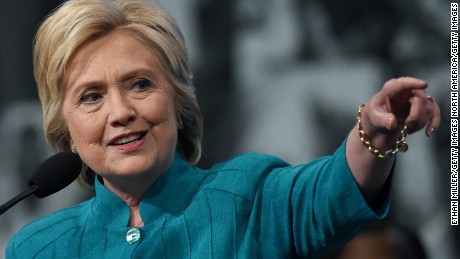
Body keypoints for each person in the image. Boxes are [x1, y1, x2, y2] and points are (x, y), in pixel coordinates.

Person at [6, 0, 440, 258]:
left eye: (140, 84)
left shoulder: (246, 195)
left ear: (177, 98)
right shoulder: (38, 246)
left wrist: (376, 133)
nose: (120, 112)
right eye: (91, 96)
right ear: (63, 123)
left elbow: (329, 190)